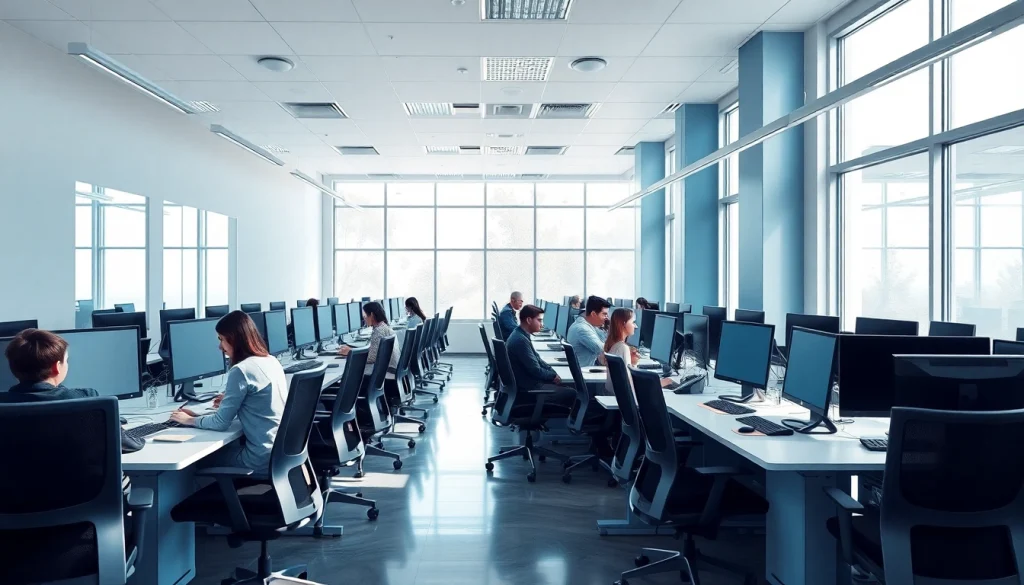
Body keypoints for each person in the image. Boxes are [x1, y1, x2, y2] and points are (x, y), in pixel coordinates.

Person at [3, 328, 138, 537]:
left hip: (10, 539)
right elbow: (130, 444)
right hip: (84, 536)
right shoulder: (87, 401)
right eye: (67, 361)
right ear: (57, 367)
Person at [169, 311, 288, 477]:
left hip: (258, 459)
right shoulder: (271, 360)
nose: (220, 347)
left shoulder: (241, 370)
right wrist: (228, 405)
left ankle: (205, 501)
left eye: (221, 339)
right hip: (279, 455)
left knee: (198, 460)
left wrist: (189, 420)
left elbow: (220, 424)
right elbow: (261, 405)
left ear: (235, 339)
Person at [505, 304, 574, 405]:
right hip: (530, 390)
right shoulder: (520, 340)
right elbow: (535, 370)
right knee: (573, 393)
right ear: (529, 320)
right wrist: (553, 376)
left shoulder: (521, 335)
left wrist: (552, 373)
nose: (542, 324)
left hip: (527, 384)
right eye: (539, 320)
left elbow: (539, 360)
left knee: (568, 386)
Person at [603, 308, 674, 394]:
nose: (635, 326)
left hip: (617, 399)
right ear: (623, 324)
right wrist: (658, 383)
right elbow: (629, 386)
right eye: (633, 322)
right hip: (627, 402)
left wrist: (633, 364)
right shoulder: (623, 348)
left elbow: (624, 379)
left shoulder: (615, 346)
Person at [339, 302, 400, 376]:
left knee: (351, 372)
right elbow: (374, 352)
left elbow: (371, 358)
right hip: (391, 371)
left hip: (387, 374)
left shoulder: (378, 331)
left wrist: (350, 352)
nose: (364, 319)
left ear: (371, 315)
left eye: (365, 316)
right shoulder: (384, 327)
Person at [567, 295, 610, 367]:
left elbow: (604, 339)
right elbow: (604, 350)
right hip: (585, 372)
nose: (607, 318)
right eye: (604, 314)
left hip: (586, 369)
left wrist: (607, 329)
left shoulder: (588, 325)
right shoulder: (583, 329)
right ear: (593, 314)